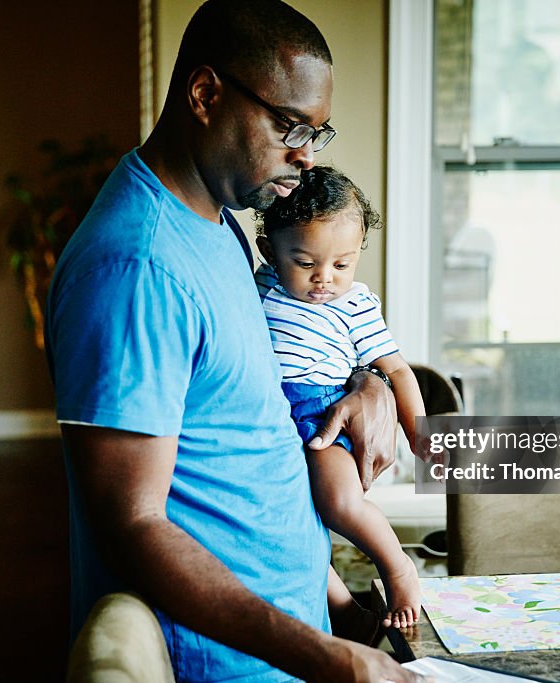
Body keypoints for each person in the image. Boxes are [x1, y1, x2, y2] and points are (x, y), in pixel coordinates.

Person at [45, 1, 425, 681]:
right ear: (205, 94)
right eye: (288, 126)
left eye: (317, 132)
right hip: (233, 664)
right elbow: (134, 527)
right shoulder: (136, 266)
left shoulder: (217, 224)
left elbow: (258, 399)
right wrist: (325, 655)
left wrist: (365, 378)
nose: (306, 157)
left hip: (299, 631)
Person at [254, 165, 430, 630]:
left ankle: (398, 568)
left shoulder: (355, 304)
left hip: (323, 415)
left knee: (340, 504)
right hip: (273, 419)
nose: (324, 279)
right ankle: (347, 614)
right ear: (269, 251)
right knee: (291, 531)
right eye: (306, 263)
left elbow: (395, 368)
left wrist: (420, 433)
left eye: (341, 264)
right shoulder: (260, 285)